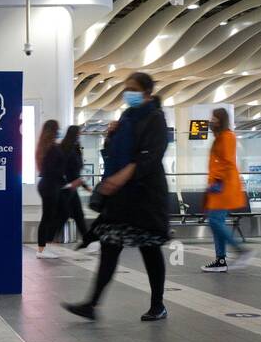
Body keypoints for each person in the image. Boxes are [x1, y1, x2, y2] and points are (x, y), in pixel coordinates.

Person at [62, 71, 169, 322]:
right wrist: (111, 138)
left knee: (149, 248)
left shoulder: (155, 119)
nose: (127, 93)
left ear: (146, 93)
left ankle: (158, 304)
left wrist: (124, 175)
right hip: (121, 199)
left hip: (144, 197)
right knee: (110, 247)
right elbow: (113, 155)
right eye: (126, 88)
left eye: (132, 88)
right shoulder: (126, 117)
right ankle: (92, 303)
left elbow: (151, 156)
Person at [200, 108, 253, 272]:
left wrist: (217, 181)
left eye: (214, 119)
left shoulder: (227, 137)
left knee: (215, 221)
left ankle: (241, 251)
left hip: (222, 186)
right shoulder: (220, 137)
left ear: (221, 120)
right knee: (217, 222)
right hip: (217, 186)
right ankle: (220, 260)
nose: (211, 121)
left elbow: (227, 162)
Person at [56, 125, 93, 249]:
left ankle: (86, 241)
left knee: (76, 214)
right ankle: (48, 240)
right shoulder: (69, 150)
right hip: (68, 187)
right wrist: (84, 185)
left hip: (70, 187)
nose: (80, 136)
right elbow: (73, 171)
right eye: (79, 133)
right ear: (75, 134)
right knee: (66, 214)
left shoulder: (71, 148)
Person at [34, 119, 63, 256]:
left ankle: (44, 246)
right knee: (48, 217)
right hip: (50, 185)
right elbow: (53, 169)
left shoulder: (44, 146)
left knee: (50, 216)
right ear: (53, 130)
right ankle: (42, 248)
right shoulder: (52, 148)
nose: (59, 131)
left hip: (46, 184)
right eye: (57, 129)